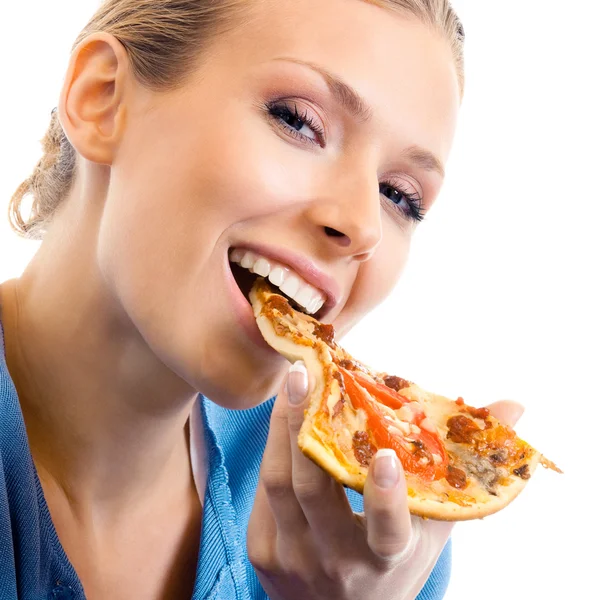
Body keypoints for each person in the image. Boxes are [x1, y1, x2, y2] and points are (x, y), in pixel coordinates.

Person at [0, 0, 524, 598]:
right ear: (102, 99)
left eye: (399, 195)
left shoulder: (363, 538)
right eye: (298, 121)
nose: (362, 225)